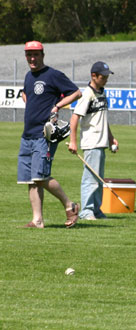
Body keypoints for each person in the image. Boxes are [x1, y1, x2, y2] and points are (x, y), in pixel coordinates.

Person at [18, 40, 82, 228]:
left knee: (40, 177)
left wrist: (57, 105)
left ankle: (70, 205)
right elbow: (27, 96)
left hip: (43, 135)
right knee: (31, 180)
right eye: (29, 54)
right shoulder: (28, 77)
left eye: (36, 54)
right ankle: (37, 220)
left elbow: (76, 93)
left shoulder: (53, 75)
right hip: (27, 134)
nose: (32, 58)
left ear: (42, 55)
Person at [68, 61, 118, 220]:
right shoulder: (87, 94)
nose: (106, 79)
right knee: (91, 179)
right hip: (92, 143)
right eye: (103, 77)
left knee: (99, 179)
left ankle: (96, 210)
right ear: (93, 76)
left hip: (101, 142)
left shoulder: (101, 93)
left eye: (107, 76)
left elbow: (103, 119)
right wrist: (73, 141)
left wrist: (110, 138)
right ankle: (87, 211)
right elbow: (74, 118)